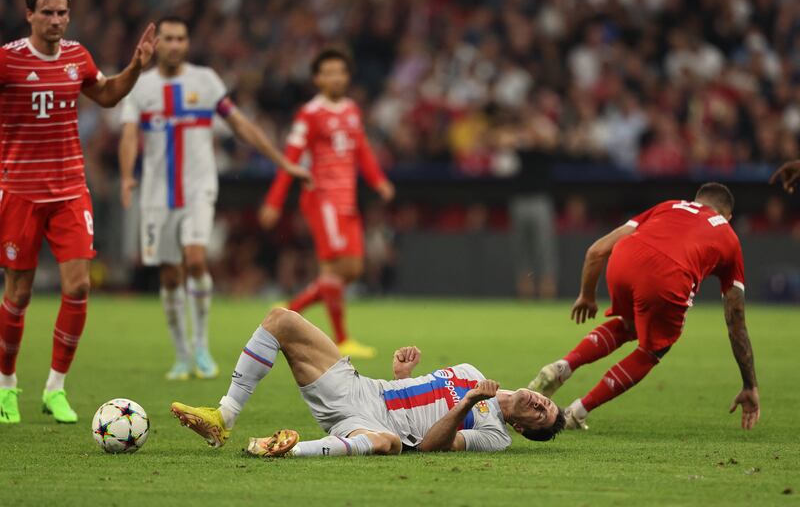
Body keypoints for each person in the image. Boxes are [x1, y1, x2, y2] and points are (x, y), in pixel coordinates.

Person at [118, 17, 310, 381]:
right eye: (168, 38)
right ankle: (181, 353)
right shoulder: (141, 87)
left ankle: (201, 346)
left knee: (194, 259)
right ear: (157, 44)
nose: (174, 44)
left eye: (181, 38)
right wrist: (128, 176)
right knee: (171, 274)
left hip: (198, 188)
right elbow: (129, 135)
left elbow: (240, 124)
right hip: (158, 193)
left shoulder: (205, 81)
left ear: (188, 43)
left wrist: (282, 160)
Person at [0, 0, 157, 424]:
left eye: (61, 13)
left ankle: (55, 389)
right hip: (20, 192)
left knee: (80, 286)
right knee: (19, 293)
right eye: (47, 12)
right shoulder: (8, 60)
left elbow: (107, 95)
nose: (55, 20)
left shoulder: (77, 56)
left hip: (70, 189)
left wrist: (135, 67)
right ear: (29, 14)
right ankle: (6, 385)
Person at [170, 307, 565, 457]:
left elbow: (431, 446)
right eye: (546, 403)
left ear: (521, 427)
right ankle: (224, 416)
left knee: (387, 444)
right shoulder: (473, 373)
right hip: (365, 390)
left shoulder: (496, 434)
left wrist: (466, 403)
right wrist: (402, 376)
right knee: (281, 320)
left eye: (540, 416)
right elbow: (421, 398)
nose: (539, 404)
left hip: (376, 425)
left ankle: (286, 450)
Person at [529, 183, 760, 431]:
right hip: (668, 277)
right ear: (728, 216)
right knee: (652, 349)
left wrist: (587, 295)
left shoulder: (669, 206)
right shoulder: (729, 236)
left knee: (630, 326)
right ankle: (577, 412)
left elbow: (597, 251)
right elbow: (735, 318)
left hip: (623, 259)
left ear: (696, 200)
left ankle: (562, 367)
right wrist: (749, 384)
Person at [258, 48, 395, 359]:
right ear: (317, 78)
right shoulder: (309, 114)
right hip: (322, 200)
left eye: (341, 71)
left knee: (353, 269)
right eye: (329, 72)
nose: (336, 77)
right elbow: (289, 159)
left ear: (347, 76)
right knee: (336, 268)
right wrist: (274, 200)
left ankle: (286, 313)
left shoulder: (351, 110)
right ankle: (341, 338)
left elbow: (362, 151)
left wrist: (378, 180)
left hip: (347, 199)